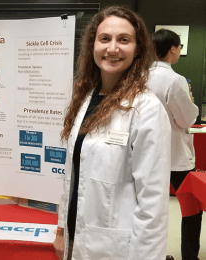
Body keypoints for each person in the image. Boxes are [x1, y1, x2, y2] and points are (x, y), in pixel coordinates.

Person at [53, 6, 171, 260]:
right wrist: (62, 229)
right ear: (92, 45)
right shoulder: (85, 98)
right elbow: (73, 176)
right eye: (104, 39)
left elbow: (153, 203)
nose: (113, 48)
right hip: (77, 238)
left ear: (138, 49)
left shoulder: (146, 109)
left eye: (124, 40)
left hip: (117, 249)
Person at [146, 29, 201, 260]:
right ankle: (189, 256)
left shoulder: (140, 76)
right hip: (176, 156)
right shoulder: (175, 80)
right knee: (191, 209)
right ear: (173, 49)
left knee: (148, 209)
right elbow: (187, 119)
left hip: (148, 154)